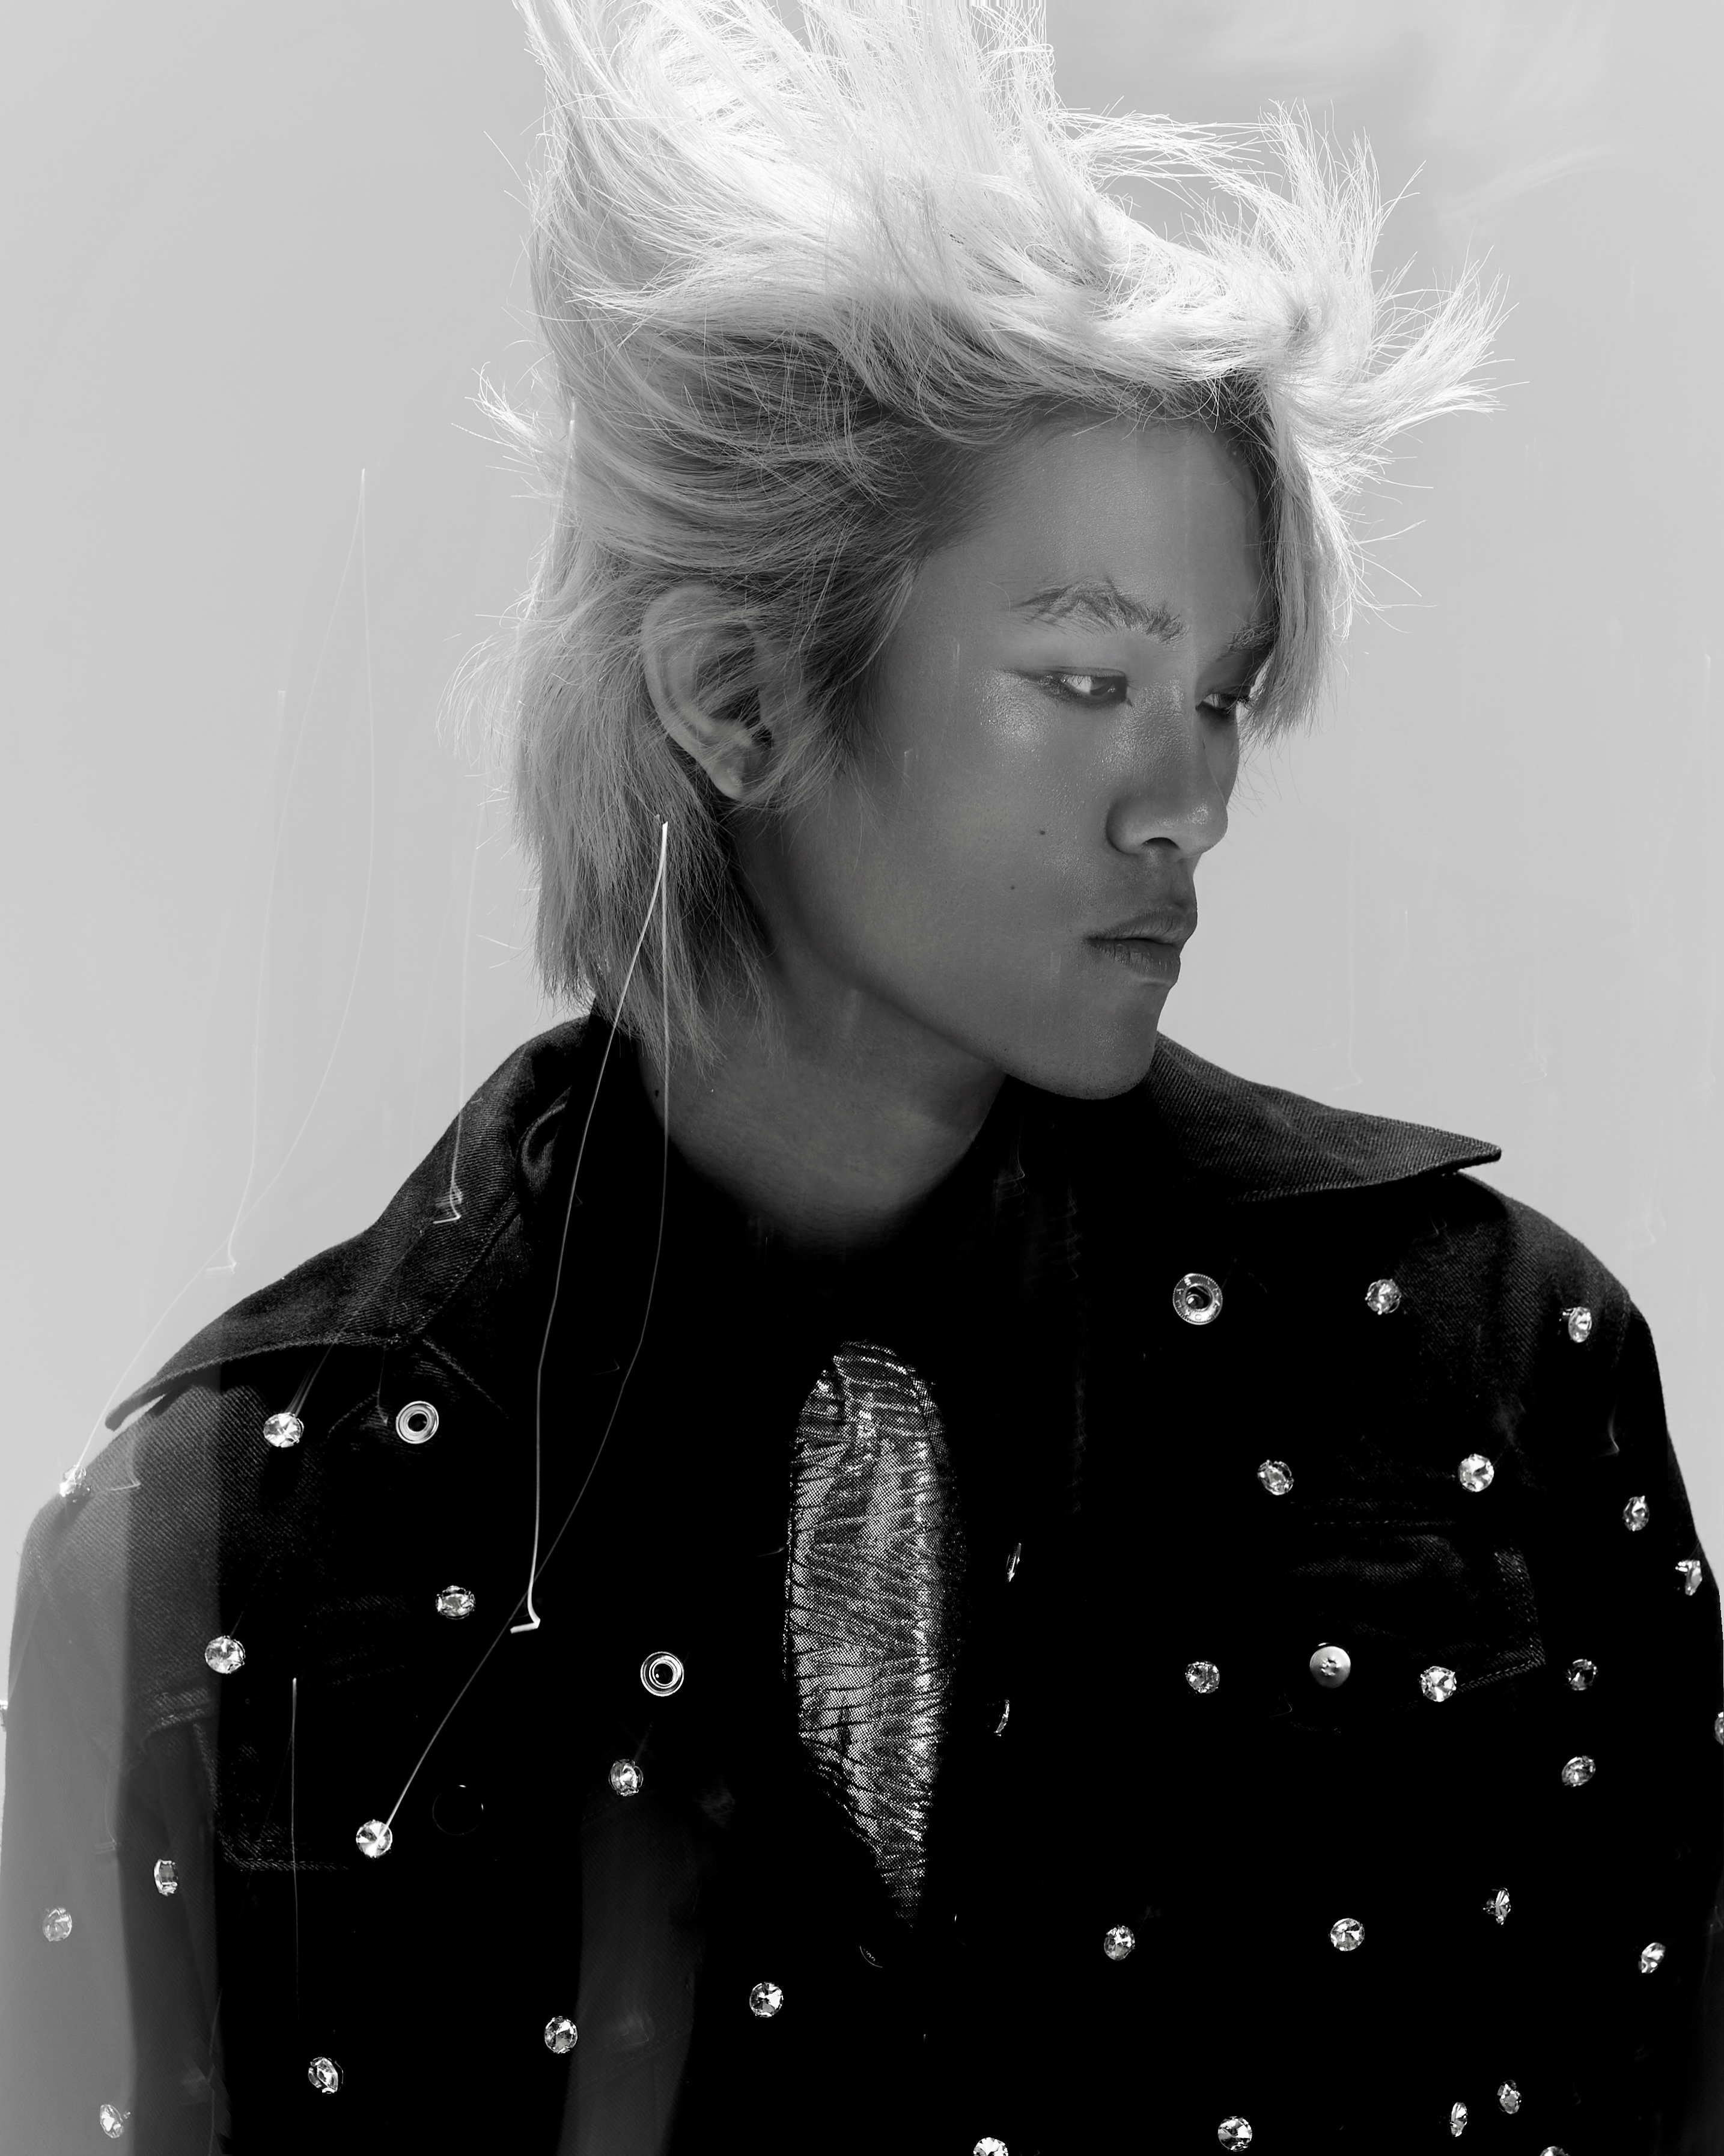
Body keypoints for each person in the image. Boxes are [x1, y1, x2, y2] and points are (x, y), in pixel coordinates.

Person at [2, 0, 1719, 2150]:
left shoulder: (1488, 1371)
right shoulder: (216, 1540)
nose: (1192, 795)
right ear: (734, 694)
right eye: (1085, 677)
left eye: (1224, 691)